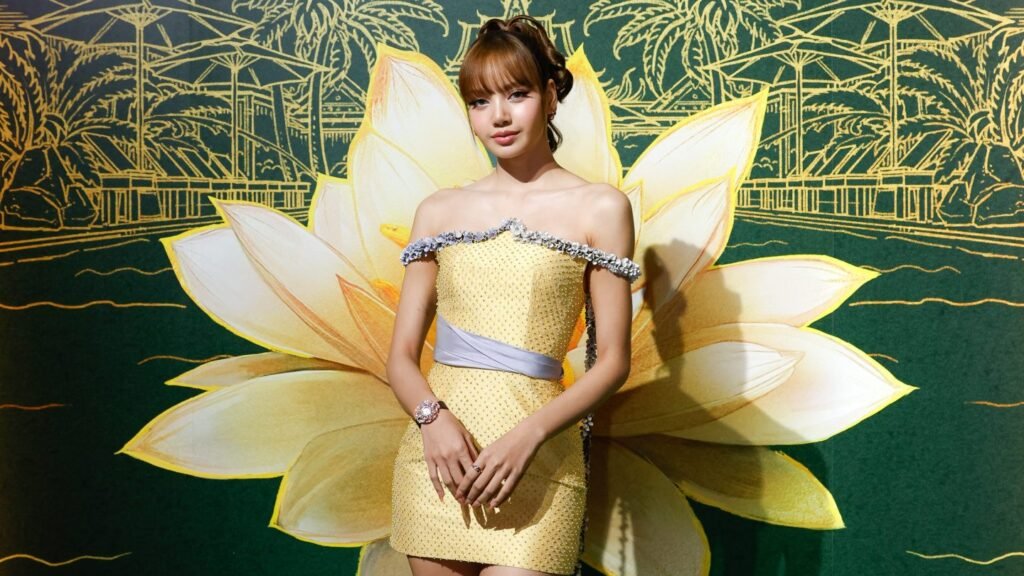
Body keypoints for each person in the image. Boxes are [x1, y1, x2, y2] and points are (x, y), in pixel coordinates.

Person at [386, 14, 640, 576]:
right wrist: (432, 421)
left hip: (538, 458)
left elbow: (613, 361)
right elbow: (400, 357)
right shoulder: (439, 210)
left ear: (550, 96)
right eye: (480, 102)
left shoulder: (601, 207)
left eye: (516, 94)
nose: (498, 116)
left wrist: (528, 437)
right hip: (440, 464)